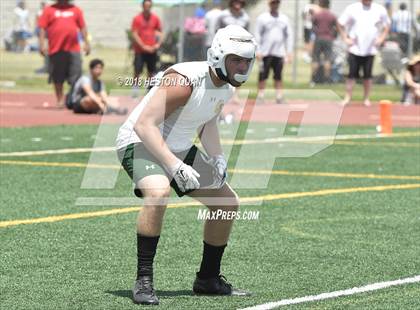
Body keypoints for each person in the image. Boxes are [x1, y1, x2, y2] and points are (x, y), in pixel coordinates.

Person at [116, 25, 256, 305]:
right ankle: (143, 280)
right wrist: (173, 165)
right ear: (218, 56)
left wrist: (217, 157)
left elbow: (207, 121)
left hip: (177, 147)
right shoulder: (184, 80)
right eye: (236, 60)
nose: (242, 67)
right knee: (158, 194)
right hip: (139, 142)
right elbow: (145, 125)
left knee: (227, 203)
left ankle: (208, 279)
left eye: (246, 61)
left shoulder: (226, 87)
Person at [38, 0, 90, 108]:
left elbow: (82, 27)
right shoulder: (49, 10)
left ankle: (73, 98)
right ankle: (60, 100)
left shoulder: (76, 10)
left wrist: (86, 43)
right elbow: (42, 28)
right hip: (55, 49)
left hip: (73, 49)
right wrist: (42, 44)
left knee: (76, 75)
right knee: (57, 76)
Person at [338, 0, 390, 106]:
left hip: (370, 49)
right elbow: (340, 23)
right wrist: (345, 38)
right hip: (355, 48)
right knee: (351, 75)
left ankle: (366, 98)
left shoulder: (379, 9)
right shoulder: (352, 8)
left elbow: (387, 25)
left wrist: (381, 38)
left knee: (367, 75)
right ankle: (347, 98)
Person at [255, 0, 293, 104]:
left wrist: (289, 52)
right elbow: (257, 34)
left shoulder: (284, 18)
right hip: (265, 52)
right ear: (269, 4)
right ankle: (260, 96)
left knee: (278, 75)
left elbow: (289, 35)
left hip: (279, 52)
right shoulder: (262, 18)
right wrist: (258, 50)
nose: (275, 5)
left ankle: (279, 96)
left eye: (277, 3)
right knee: (263, 75)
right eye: (273, 3)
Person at [131, 0, 163, 81]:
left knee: (151, 72)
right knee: (137, 71)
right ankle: (135, 90)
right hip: (140, 51)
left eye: (149, 6)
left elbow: (159, 32)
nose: (147, 8)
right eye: (146, 6)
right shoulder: (137, 18)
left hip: (152, 50)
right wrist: (143, 46)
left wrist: (157, 44)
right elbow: (134, 34)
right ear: (143, 6)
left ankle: (150, 89)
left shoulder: (155, 18)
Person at [311, 0, 337, 84]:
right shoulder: (332, 15)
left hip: (318, 38)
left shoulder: (317, 15)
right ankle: (326, 79)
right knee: (327, 59)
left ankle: (313, 79)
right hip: (328, 39)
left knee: (315, 59)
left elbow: (313, 25)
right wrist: (333, 36)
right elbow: (336, 27)